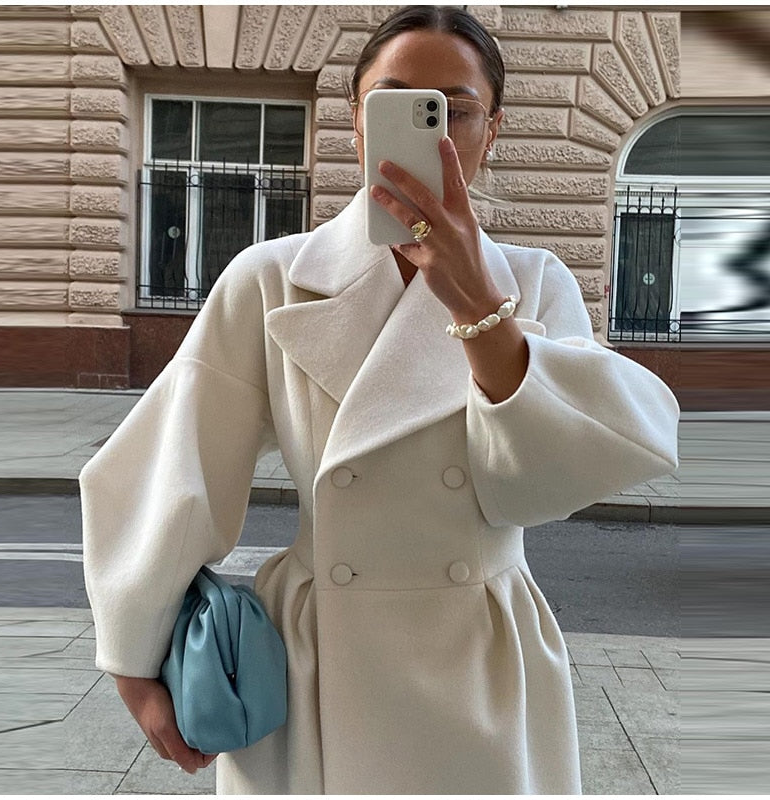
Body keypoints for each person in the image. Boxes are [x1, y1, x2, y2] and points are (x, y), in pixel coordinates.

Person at [81, 5, 679, 794]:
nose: (434, 134)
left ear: (491, 131)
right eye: (394, 104)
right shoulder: (274, 277)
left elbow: (545, 486)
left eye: (455, 110)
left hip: (480, 655)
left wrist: (479, 307)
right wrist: (134, 653)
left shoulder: (535, 282)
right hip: (319, 660)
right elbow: (173, 457)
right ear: (358, 125)